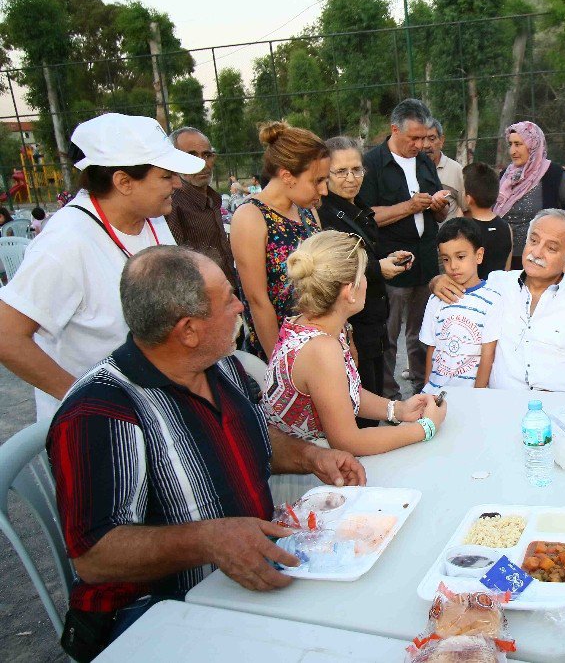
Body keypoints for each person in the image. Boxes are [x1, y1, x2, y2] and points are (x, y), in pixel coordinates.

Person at [47, 246, 367, 661]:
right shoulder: (102, 412)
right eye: (227, 299)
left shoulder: (221, 366)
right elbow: (93, 557)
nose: (240, 306)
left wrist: (311, 457)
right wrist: (209, 540)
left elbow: (254, 440)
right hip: (155, 614)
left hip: (246, 580)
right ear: (188, 330)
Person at [0, 113, 200, 422]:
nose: (177, 183)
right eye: (165, 176)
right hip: (99, 427)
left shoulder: (153, 220)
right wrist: (87, 399)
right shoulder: (66, 242)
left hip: (155, 408)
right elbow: (7, 336)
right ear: (123, 182)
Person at [263, 231, 447, 466]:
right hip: (310, 472)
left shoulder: (317, 324)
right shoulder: (322, 349)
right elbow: (348, 441)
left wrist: (398, 410)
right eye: (364, 275)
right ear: (349, 292)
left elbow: (346, 392)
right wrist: (426, 428)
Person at [432, 209, 565, 394]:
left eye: (551, 248)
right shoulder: (497, 284)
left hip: (561, 408)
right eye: (534, 240)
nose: (536, 252)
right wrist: (435, 282)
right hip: (500, 405)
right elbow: (460, 283)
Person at [357, 98, 451, 399]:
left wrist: (438, 205)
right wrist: (409, 206)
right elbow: (367, 216)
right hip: (392, 265)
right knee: (388, 336)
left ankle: (424, 389)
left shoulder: (424, 161)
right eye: (414, 138)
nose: (421, 144)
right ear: (394, 129)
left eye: (425, 137)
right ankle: (390, 397)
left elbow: (440, 215)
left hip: (426, 262)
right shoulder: (371, 164)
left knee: (424, 333)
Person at [316, 136, 413, 423]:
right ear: (326, 175)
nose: (351, 178)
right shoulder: (324, 214)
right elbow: (335, 267)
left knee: (372, 399)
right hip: (351, 326)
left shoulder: (357, 206)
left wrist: (388, 259)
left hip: (372, 322)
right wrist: (376, 268)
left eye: (357, 170)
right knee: (359, 412)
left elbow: (364, 252)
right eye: (341, 172)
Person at [231, 121, 329, 361]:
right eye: (317, 181)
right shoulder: (251, 217)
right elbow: (257, 301)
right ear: (287, 176)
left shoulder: (307, 211)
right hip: (281, 349)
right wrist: (282, 364)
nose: (324, 190)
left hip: (320, 341)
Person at [419, 218, 501, 394]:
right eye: (446, 259)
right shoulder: (437, 299)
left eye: (460, 257)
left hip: (469, 395)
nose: (452, 266)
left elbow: (488, 354)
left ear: (478, 255)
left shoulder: (492, 300)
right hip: (434, 393)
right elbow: (431, 348)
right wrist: (426, 389)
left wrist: (477, 395)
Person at [493, 121, 565, 270]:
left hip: (542, 260)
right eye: (510, 144)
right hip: (506, 259)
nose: (512, 151)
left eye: (518, 144)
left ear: (533, 145)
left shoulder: (553, 173)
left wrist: (555, 226)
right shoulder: (505, 176)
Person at [165, 127, 238, 290]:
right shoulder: (172, 204)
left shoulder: (213, 199)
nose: (202, 163)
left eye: (207, 155)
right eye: (191, 156)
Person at [463, 161, 512, 277]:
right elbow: (507, 268)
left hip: (472, 292)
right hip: (498, 291)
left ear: (468, 199)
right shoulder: (506, 227)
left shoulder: (464, 230)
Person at [424, 118, 466, 220]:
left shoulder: (456, 170)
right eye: (422, 139)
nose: (426, 145)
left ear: (441, 140)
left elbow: (467, 209)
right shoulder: (411, 170)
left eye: (432, 139)